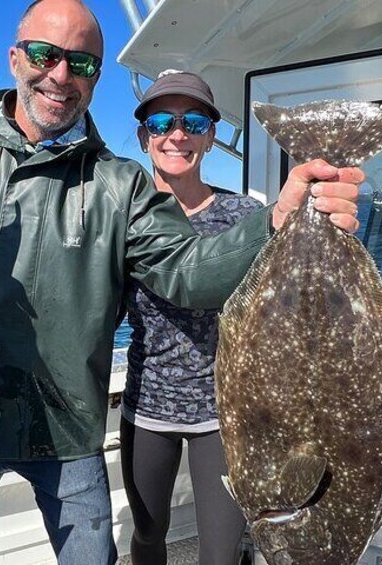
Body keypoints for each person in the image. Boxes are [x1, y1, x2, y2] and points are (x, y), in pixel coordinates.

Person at [0, 1, 364, 563]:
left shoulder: (120, 184)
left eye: (81, 63)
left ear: (96, 79)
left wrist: (276, 220)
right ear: (14, 59)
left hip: (67, 430)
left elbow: (188, 273)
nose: (60, 75)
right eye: (44, 54)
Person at [119, 70, 255, 565]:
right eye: (161, 121)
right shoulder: (123, 218)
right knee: (148, 537)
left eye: (194, 121)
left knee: (220, 554)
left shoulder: (245, 216)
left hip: (223, 414)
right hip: (147, 406)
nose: (177, 134)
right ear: (144, 136)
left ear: (211, 136)